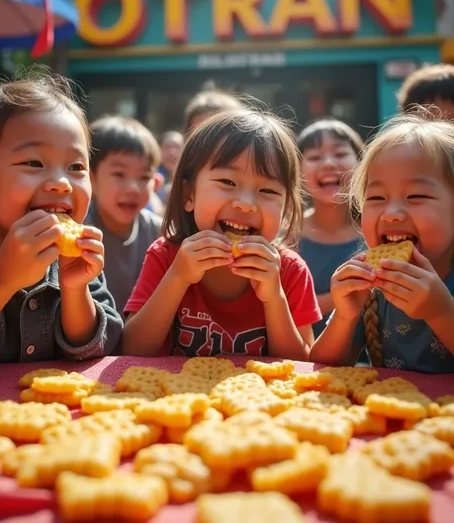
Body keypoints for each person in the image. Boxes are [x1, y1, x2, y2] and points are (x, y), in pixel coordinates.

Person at [122, 108, 321, 358]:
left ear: (286, 207)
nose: (246, 203)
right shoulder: (166, 257)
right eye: (228, 183)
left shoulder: (289, 271)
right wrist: (177, 277)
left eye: (268, 191)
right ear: (189, 195)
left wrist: (274, 298)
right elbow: (132, 350)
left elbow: (301, 365)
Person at [0, 72, 123, 366]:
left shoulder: (78, 257)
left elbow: (96, 349)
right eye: (34, 163)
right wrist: (1, 279)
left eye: (75, 166)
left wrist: (75, 289)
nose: (62, 183)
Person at [310, 112, 454, 373]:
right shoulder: (371, 288)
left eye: (416, 195)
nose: (391, 213)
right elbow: (320, 368)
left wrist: (441, 312)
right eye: (376, 198)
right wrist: (345, 316)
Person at [88, 115, 162, 315]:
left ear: (156, 182)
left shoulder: (160, 233)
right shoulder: (80, 230)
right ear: (90, 177)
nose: (132, 188)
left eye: (144, 177)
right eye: (119, 174)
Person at [297, 119, 364, 336]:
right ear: (296, 172)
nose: (328, 163)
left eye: (340, 154)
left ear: (361, 163)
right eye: (314, 157)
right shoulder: (285, 235)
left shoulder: (379, 234)